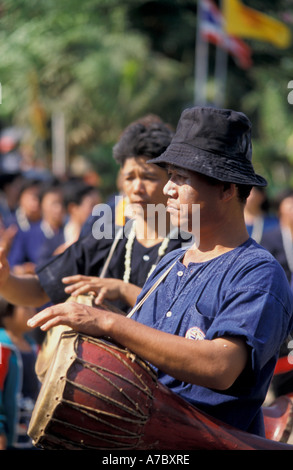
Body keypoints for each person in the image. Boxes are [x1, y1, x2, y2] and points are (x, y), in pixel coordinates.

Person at [25, 107, 293, 438]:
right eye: (169, 175)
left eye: (182, 178)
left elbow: (220, 366)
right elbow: (139, 354)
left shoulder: (256, 271)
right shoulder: (170, 264)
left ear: (226, 188)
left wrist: (109, 322)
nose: (168, 188)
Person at [0, 115, 187, 316]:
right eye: (129, 177)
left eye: (149, 177)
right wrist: (5, 281)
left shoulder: (191, 248)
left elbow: (181, 318)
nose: (136, 188)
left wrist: (124, 291)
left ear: (171, 180)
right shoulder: (105, 239)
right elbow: (39, 290)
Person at [0, 297, 39, 449]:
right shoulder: (2, 347)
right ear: (6, 312)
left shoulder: (35, 348)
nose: (33, 312)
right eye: (26, 307)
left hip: (31, 439)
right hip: (7, 440)